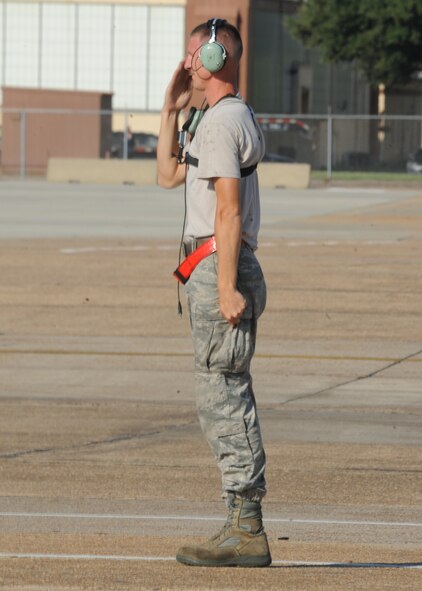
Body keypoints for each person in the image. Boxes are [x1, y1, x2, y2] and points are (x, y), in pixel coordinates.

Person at [157, 18, 271, 568]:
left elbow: (226, 208)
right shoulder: (214, 118)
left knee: (224, 394)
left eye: (195, 56)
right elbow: (166, 176)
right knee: (217, 394)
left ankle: (246, 527)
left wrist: (226, 288)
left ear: (218, 58)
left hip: (218, 267)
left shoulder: (224, 124)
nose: (189, 65)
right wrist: (170, 111)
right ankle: (239, 522)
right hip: (208, 267)